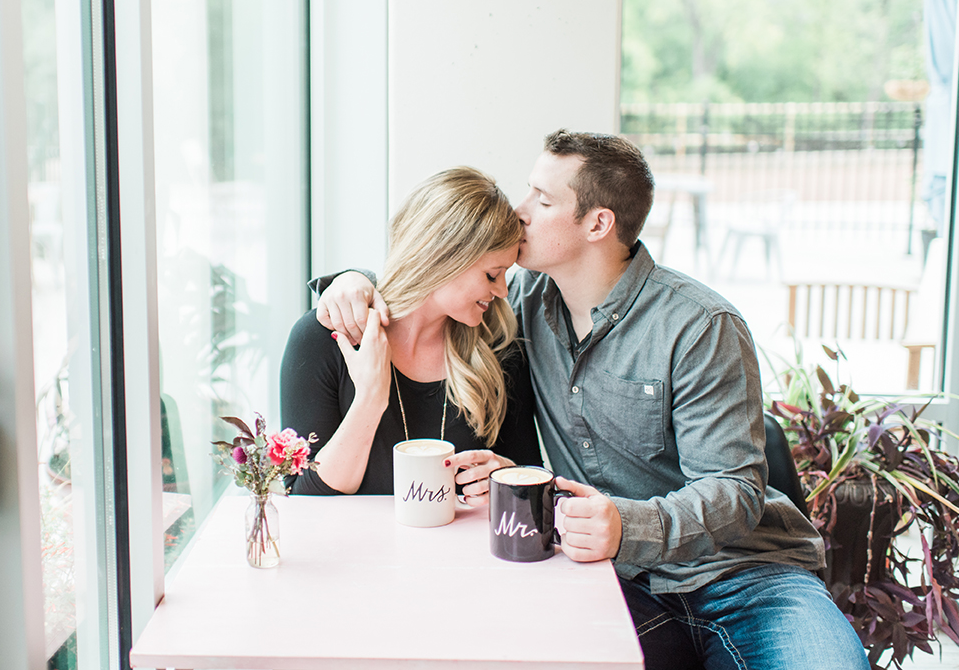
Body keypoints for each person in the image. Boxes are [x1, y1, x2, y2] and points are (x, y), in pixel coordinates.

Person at [317, 132, 869, 670]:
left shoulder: (699, 326)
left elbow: (735, 490)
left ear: (598, 223)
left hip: (745, 577)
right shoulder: (521, 308)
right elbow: (440, 272)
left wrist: (626, 527)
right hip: (614, 579)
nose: (520, 210)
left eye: (543, 198)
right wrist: (348, 282)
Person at [280, 166, 542, 500]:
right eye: (492, 275)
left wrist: (504, 474)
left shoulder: (499, 348)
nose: (503, 291)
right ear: (444, 258)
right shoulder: (323, 339)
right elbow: (305, 497)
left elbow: (531, 478)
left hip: (460, 552)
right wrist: (370, 400)